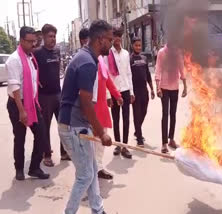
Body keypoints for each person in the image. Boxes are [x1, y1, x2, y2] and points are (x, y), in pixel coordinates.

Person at [58, 20, 113, 214]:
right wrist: (101, 133)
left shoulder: (86, 57)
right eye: (109, 38)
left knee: (90, 170)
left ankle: (98, 209)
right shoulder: (87, 62)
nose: (112, 42)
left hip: (78, 124)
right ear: (100, 39)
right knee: (85, 175)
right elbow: (86, 102)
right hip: (74, 127)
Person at [6, 26, 50, 180]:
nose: (33, 44)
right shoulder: (14, 60)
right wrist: (22, 110)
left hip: (31, 102)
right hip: (17, 103)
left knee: (42, 134)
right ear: (21, 40)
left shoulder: (31, 58)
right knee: (20, 136)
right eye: (30, 41)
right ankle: (19, 168)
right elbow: (15, 86)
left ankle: (34, 168)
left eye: (35, 41)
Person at [34, 24, 70, 167]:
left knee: (63, 125)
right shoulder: (37, 53)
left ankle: (64, 152)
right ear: (43, 37)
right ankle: (47, 154)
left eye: (54, 36)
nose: (53, 39)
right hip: (44, 97)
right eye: (50, 36)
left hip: (57, 94)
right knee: (45, 127)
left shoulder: (57, 51)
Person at [107, 28, 135, 159]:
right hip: (114, 91)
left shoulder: (125, 54)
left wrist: (131, 91)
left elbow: (129, 73)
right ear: (112, 38)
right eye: (115, 37)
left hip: (125, 90)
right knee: (116, 119)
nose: (117, 39)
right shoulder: (107, 54)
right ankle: (117, 144)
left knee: (126, 119)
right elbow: (106, 76)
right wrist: (108, 95)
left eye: (119, 37)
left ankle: (125, 145)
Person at [155, 41, 187, 154]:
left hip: (175, 87)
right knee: (165, 114)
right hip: (164, 87)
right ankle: (164, 143)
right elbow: (158, 69)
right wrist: (157, 87)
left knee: (173, 114)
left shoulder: (178, 52)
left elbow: (181, 68)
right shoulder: (161, 53)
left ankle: (171, 139)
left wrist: (185, 87)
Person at [130, 37, 155, 147]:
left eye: (140, 45)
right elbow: (127, 76)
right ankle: (139, 138)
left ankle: (137, 130)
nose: (138, 47)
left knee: (143, 112)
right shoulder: (129, 59)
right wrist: (130, 92)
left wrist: (152, 89)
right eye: (136, 45)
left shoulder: (144, 58)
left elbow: (148, 75)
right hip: (135, 91)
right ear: (132, 46)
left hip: (144, 90)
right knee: (136, 114)